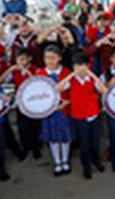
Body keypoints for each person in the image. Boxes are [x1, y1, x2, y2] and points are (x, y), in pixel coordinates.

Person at [55, 54, 107, 179]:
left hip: (94, 115)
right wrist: (72, 74)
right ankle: (86, 166)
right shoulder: (71, 80)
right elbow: (57, 88)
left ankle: (96, 161)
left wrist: (91, 74)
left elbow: (104, 90)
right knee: (84, 144)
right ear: (73, 67)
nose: (80, 68)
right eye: (77, 66)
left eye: (83, 65)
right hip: (79, 117)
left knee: (95, 142)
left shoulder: (92, 79)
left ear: (88, 66)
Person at [0, 48, 40, 160]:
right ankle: (25, 148)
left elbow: (38, 83)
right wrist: (9, 70)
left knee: (35, 126)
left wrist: (27, 72)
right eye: (18, 60)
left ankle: (36, 148)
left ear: (29, 59)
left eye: (23, 59)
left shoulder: (36, 69)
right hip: (21, 103)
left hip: (34, 102)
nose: (20, 62)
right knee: (22, 128)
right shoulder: (14, 71)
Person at [36, 46, 73, 176]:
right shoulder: (40, 74)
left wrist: (67, 102)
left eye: (53, 57)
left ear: (59, 58)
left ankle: (65, 161)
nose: (49, 61)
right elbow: (37, 94)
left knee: (65, 137)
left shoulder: (67, 72)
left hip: (64, 110)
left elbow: (72, 91)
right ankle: (57, 162)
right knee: (53, 138)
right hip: (48, 112)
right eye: (47, 58)